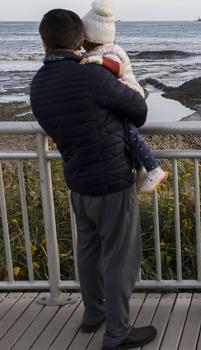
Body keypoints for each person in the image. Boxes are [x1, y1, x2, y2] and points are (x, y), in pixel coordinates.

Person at [30, 9, 156, 350]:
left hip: (78, 179)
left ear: (44, 42)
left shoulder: (38, 84)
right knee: (120, 258)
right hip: (112, 180)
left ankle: (93, 314)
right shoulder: (92, 76)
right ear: (81, 40)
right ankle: (117, 333)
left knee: (88, 251)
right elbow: (139, 111)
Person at [80, 0, 168, 193]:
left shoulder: (110, 52)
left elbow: (118, 69)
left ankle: (154, 168)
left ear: (91, 38)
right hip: (126, 95)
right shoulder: (105, 49)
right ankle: (141, 168)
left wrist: (97, 60)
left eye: (83, 37)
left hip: (132, 93)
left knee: (130, 132)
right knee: (125, 131)